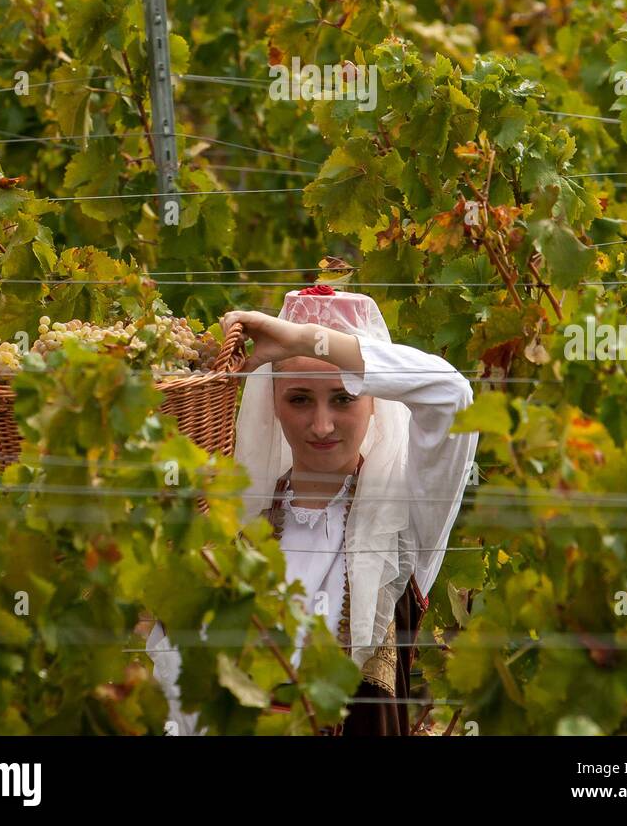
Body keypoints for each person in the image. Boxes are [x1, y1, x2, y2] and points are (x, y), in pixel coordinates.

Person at [147, 285, 479, 736]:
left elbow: (451, 396)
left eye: (343, 398)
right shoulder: (238, 533)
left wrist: (305, 341)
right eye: (299, 399)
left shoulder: (404, 522)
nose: (321, 425)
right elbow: (180, 697)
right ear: (273, 405)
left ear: (375, 400)